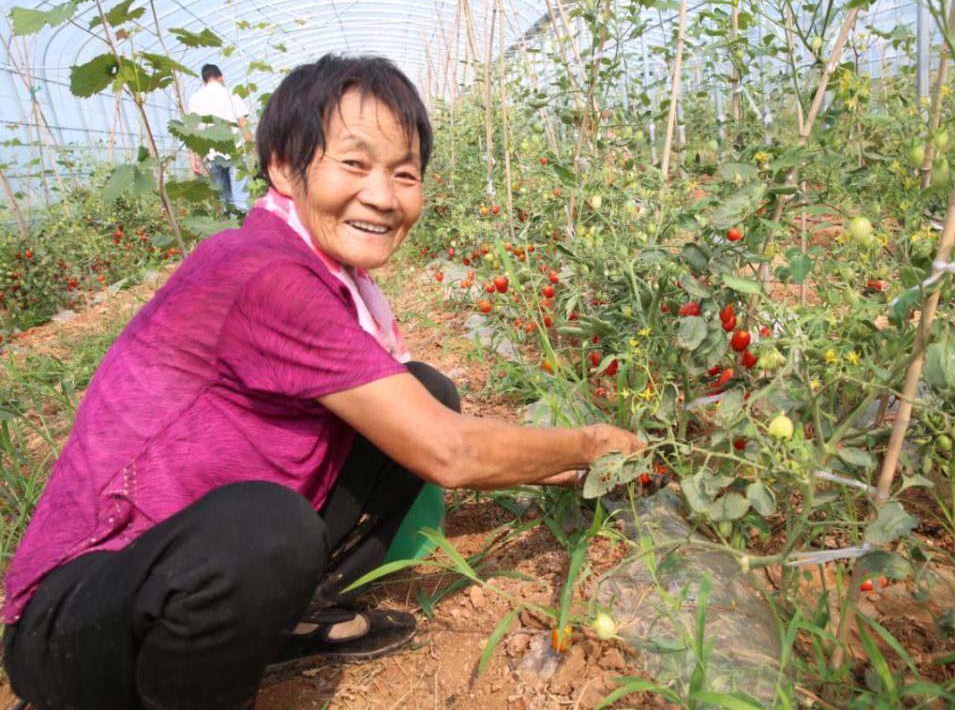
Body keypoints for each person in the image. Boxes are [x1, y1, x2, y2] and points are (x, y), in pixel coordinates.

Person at [2, 54, 642, 709]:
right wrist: (591, 447)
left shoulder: (312, 272)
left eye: (405, 173)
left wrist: (560, 463)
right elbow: (452, 452)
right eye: (354, 164)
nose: (384, 196)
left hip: (180, 567)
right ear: (284, 165)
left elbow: (430, 425)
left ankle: (286, 618)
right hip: (76, 622)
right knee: (268, 531)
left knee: (422, 391)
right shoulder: (263, 276)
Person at [188, 63, 251, 210]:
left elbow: (192, 129)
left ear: (204, 82)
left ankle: (226, 231)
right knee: (241, 201)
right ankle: (243, 232)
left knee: (224, 202)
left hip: (212, 155)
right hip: (236, 152)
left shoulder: (195, 99)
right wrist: (252, 149)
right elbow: (243, 123)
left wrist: (193, 158)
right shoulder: (231, 94)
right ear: (221, 78)